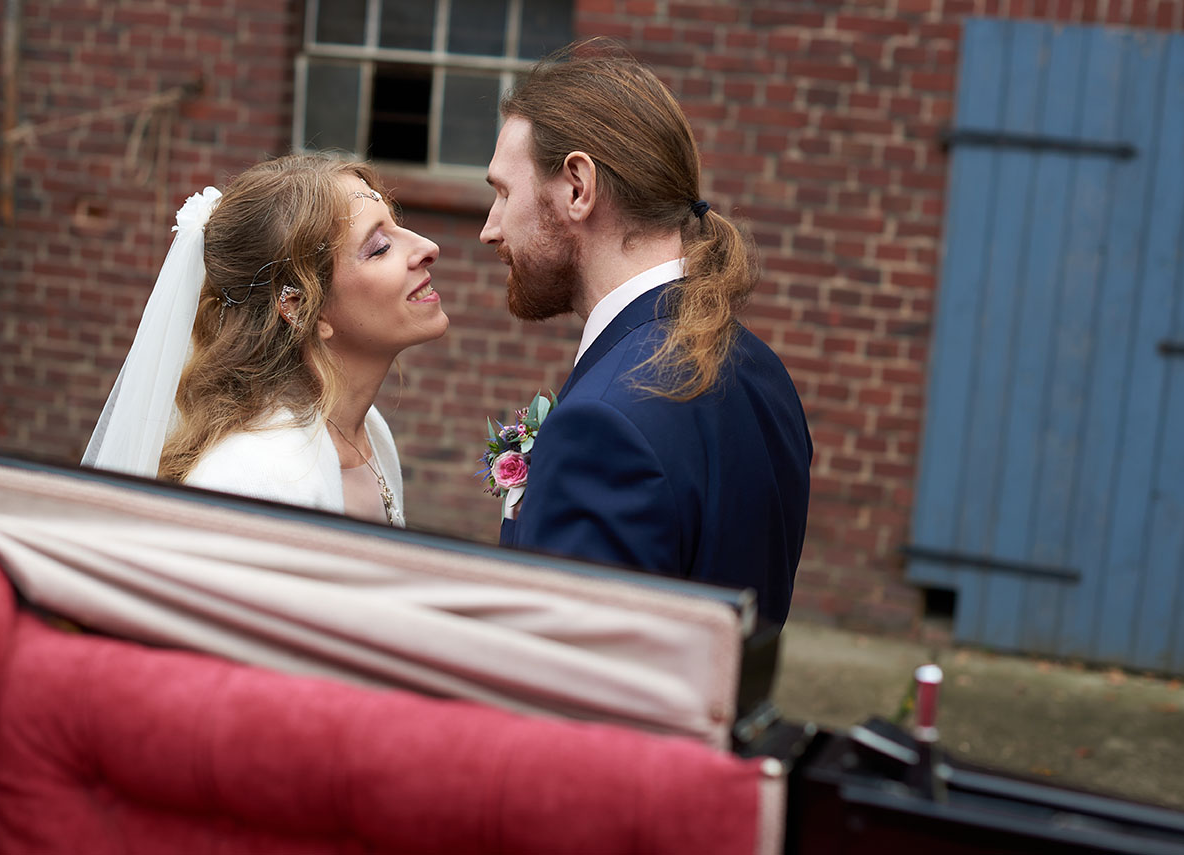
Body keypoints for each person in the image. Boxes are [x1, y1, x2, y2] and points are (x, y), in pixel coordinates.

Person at [479, 46, 812, 625]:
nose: (490, 227)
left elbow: (569, 685)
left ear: (577, 187)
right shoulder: (763, 370)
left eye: (505, 192)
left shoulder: (606, 423)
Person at [82, 154, 447, 527]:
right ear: (303, 307)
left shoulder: (368, 430)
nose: (427, 247)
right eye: (380, 247)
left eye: (397, 225)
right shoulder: (251, 480)